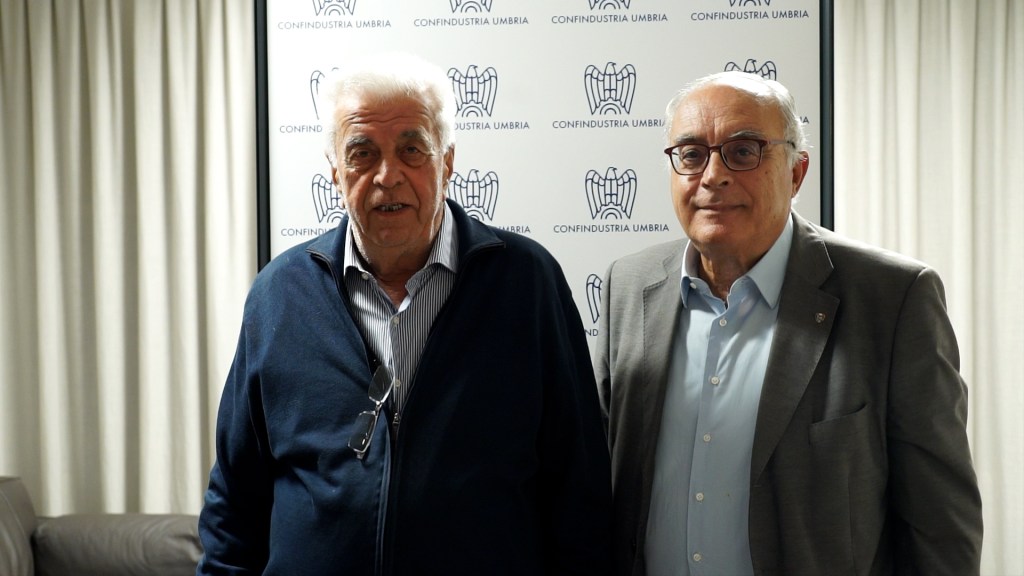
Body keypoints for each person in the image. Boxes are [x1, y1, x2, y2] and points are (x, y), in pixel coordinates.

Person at [197, 52, 612, 575]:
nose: (387, 176)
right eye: (362, 153)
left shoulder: (527, 282)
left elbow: (579, 491)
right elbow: (236, 500)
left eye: (412, 150)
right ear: (334, 171)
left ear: (447, 161)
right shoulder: (279, 294)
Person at [594, 70, 983, 576]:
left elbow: (940, 527)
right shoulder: (629, 285)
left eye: (743, 151)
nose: (713, 176)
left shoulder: (892, 297)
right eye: (691, 155)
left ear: (797, 172)